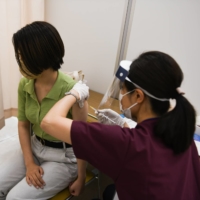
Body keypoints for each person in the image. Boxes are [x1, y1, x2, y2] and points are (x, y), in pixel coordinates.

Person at [40, 51, 200, 200]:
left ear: (138, 96)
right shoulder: (183, 135)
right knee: (110, 190)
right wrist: (124, 125)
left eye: (122, 90)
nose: (121, 98)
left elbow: (49, 122)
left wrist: (76, 92)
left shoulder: (127, 144)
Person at [0, 21, 88, 200]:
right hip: (35, 147)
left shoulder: (73, 92)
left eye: (23, 56)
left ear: (39, 57)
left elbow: (82, 140)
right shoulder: (25, 84)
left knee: (14, 198)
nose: (20, 61)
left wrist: (81, 177)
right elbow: (23, 125)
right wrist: (29, 162)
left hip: (63, 158)